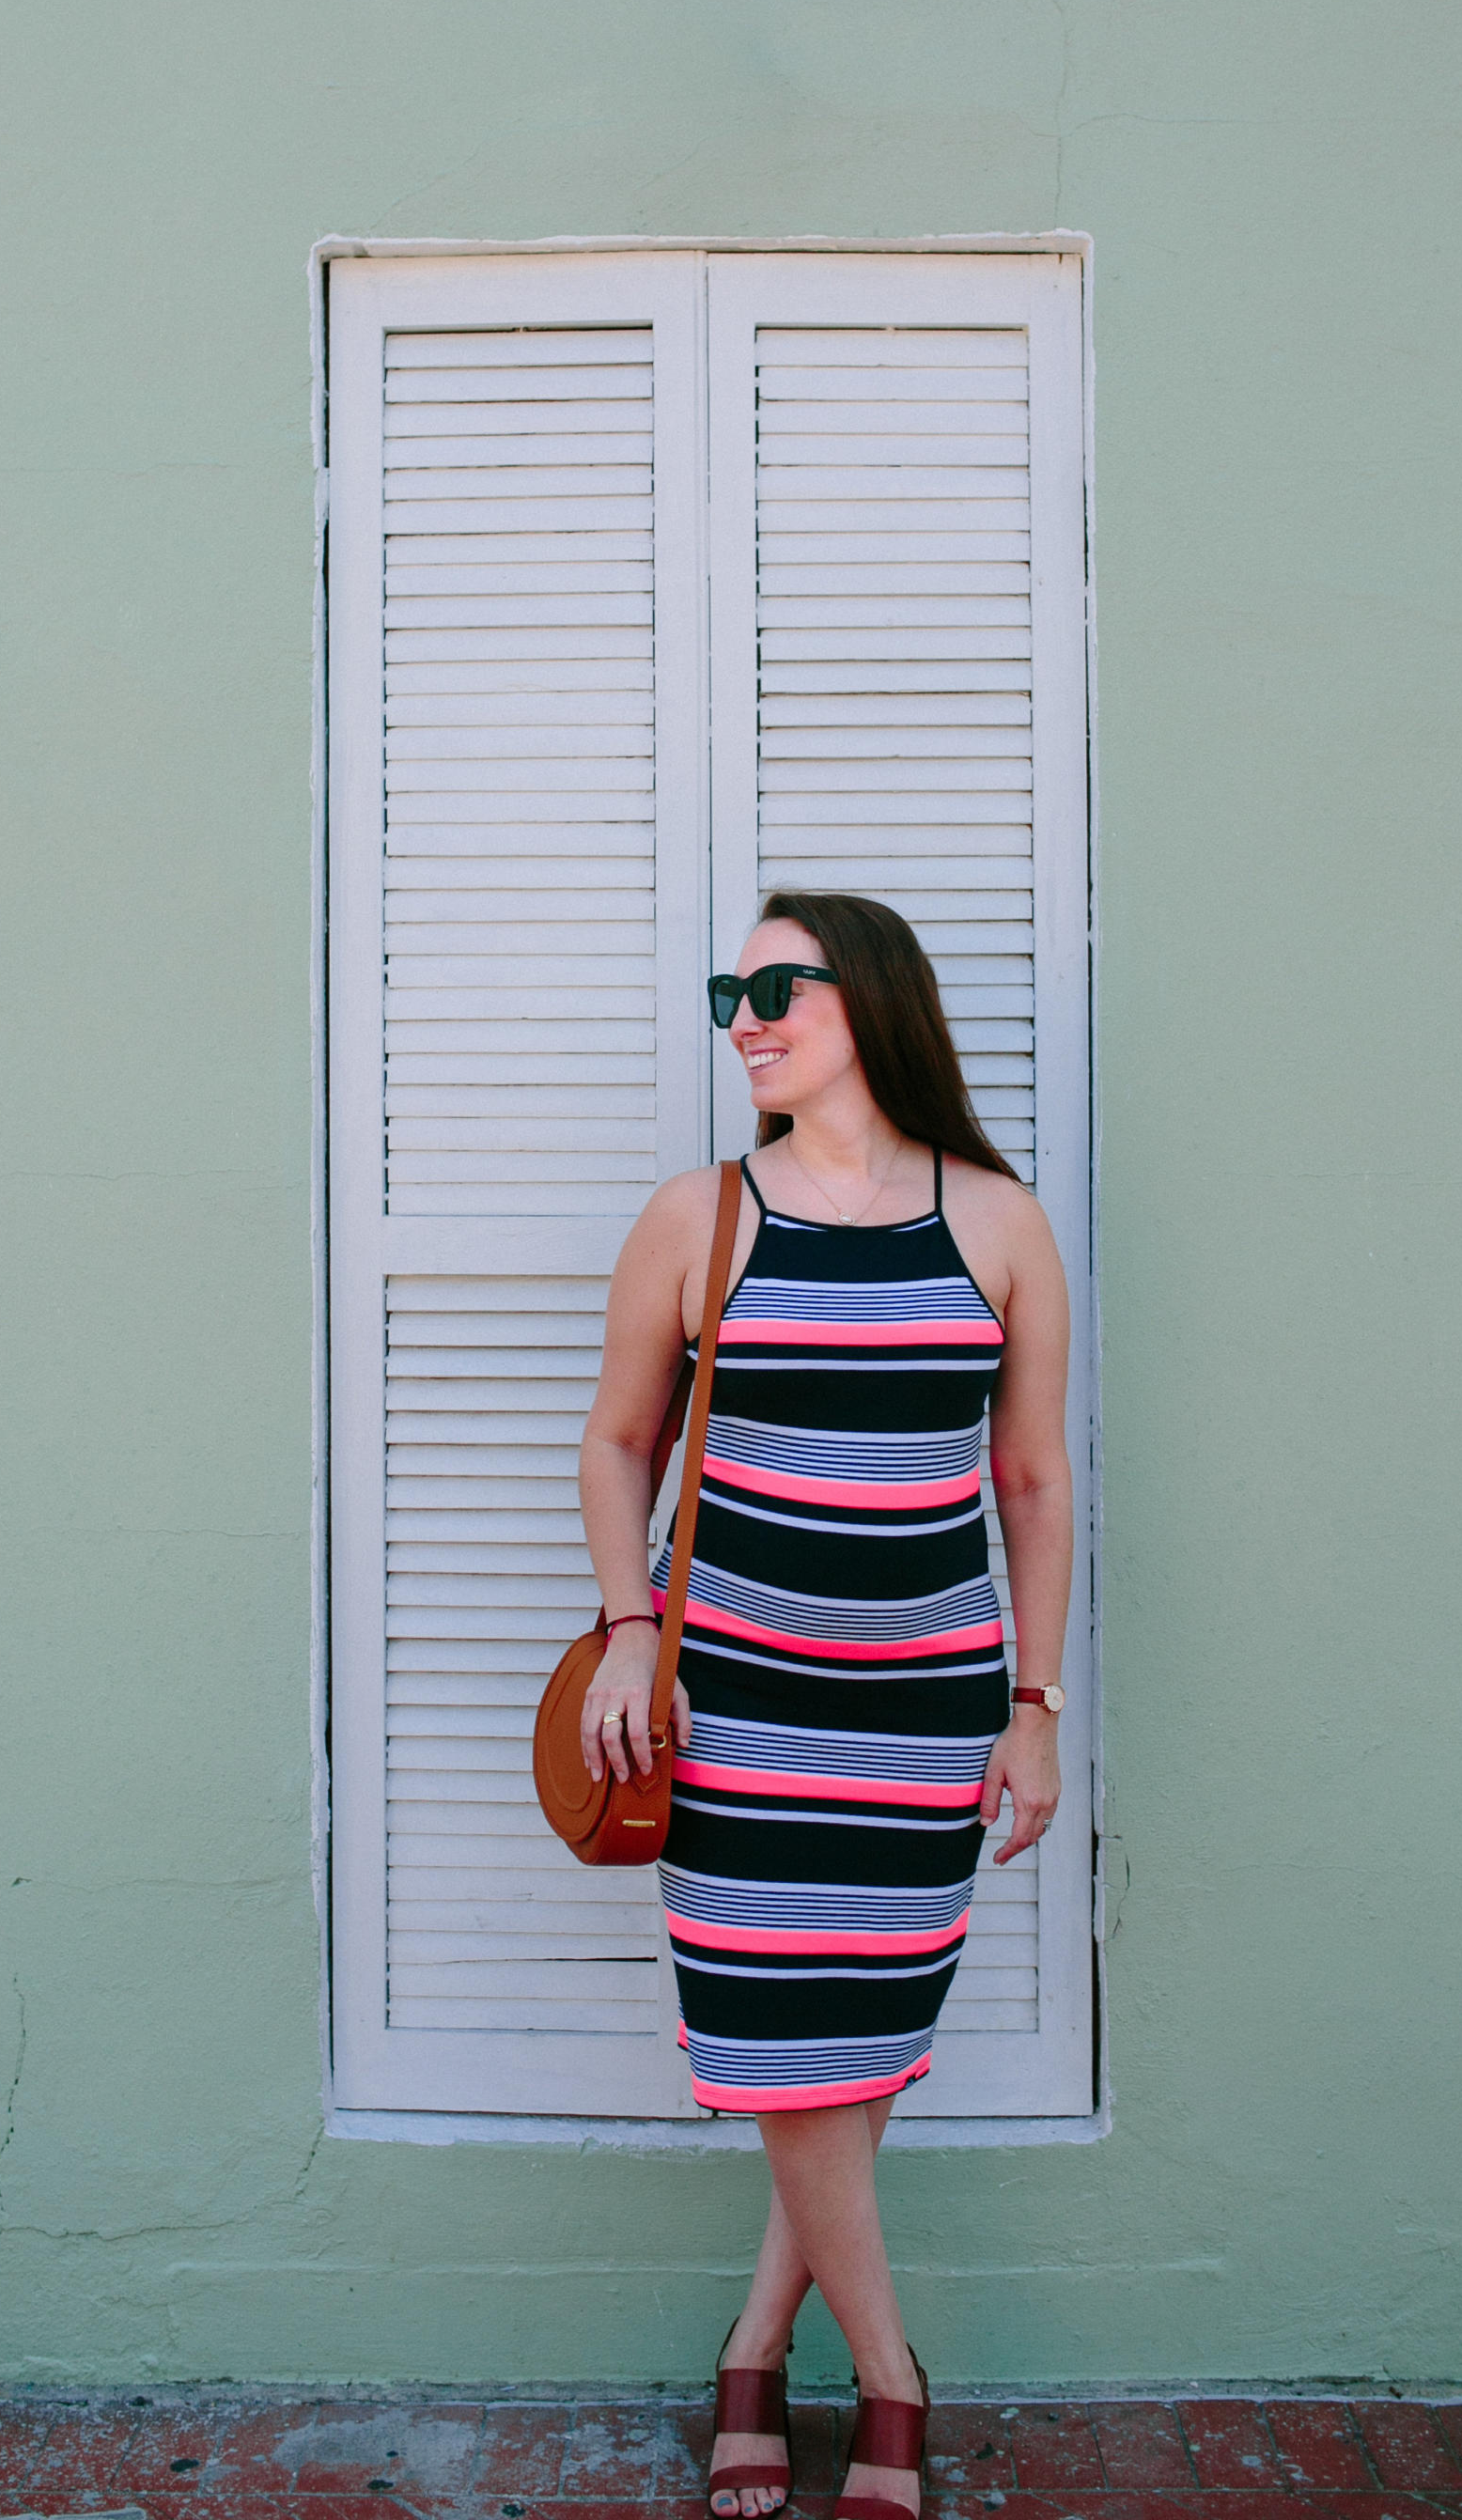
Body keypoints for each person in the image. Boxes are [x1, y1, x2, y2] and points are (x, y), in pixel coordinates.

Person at [578, 892, 1073, 2520]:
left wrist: (1037, 1701)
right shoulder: (698, 1216)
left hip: (924, 1715)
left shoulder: (998, 1223)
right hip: (731, 1710)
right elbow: (619, 1444)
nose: (745, 1018)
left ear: (872, 1001)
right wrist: (633, 1630)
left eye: (777, 987)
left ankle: (749, 2356)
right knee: (785, 2040)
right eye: (735, 992)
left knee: (848, 2051)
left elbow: (1032, 1477)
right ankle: (890, 2383)